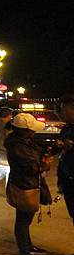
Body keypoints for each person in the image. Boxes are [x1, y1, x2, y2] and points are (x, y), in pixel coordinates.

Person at [5, 113, 50, 255]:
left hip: (26, 183)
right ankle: (24, 254)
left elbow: (35, 154)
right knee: (23, 221)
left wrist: (51, 150)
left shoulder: (22, 141)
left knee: (25, 219)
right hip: (24, 185)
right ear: (24, 130)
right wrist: (45, 165)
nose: (34, 131)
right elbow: (30, 167)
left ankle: (28, 246)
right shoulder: (18, 145)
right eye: (32, 129)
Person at [56, 93, 74, 226]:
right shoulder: (66, 128)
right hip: (67, 179)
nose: (61, 113)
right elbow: (60, 151)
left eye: (64, 110)